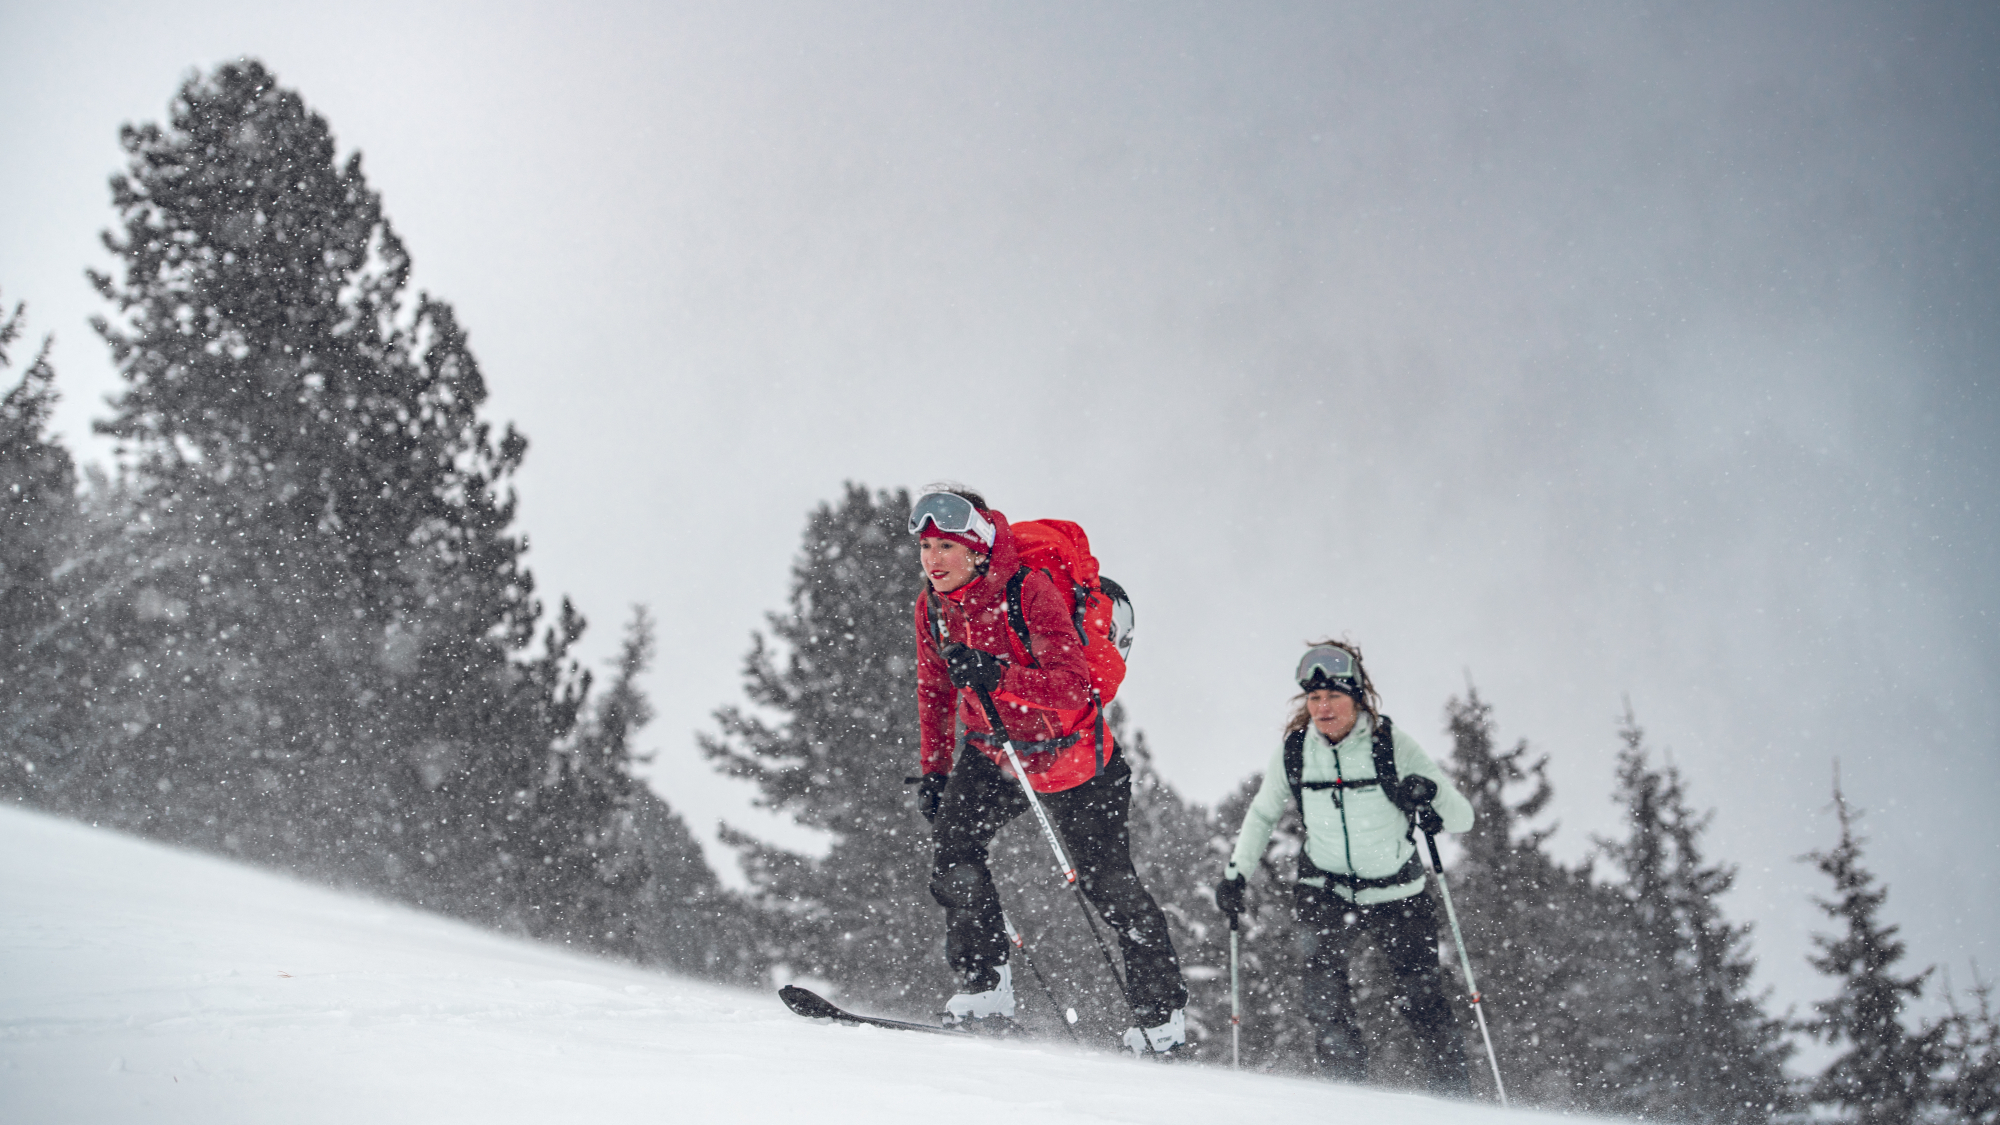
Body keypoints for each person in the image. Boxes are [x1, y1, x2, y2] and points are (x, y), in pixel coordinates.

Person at [907, 485, 1189, 1054]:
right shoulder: (932, 607)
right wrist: (934, 771)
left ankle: (1161, 1021)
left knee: (1108, 885)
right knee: (954, 853)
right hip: (994, 754)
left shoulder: (1028, 590)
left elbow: (1072, 687)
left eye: (946, 546)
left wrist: (997, 674)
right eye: (926, 546)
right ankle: (985, 989)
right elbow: (934, 691)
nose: (933, 559)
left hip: (1075, 760)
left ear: (977, 549)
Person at [1214, 640, 1475, 1093]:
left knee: (1424, 1002)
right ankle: (1347, 1102)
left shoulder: (1391, 745)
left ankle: (1456, 1101)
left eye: (1334, 696)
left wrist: (1428, 793)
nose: (1323, 707)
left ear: (1357, 698)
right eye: (1315, 697)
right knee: (1324, 1003)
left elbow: (1461, 818)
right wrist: (1237, 874)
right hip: (1325, 890)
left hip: (1397, 893)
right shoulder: (1296, 751)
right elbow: (1262, 814)